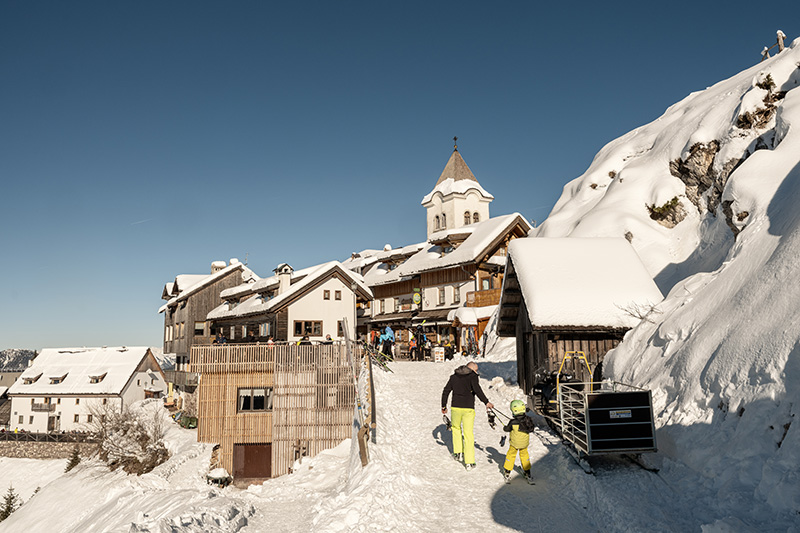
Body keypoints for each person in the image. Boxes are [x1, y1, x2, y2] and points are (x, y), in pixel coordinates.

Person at [441, 361, 494, 470]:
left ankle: (458, 453)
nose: (477, 372)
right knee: (468, 434)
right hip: (468, 409)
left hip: (455, 408)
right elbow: (477, 390)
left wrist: (443, 405)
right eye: (476, 370)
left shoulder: (454, 377)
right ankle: (469, 462)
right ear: (471, 369)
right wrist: (486, 402)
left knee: (456, 429)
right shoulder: (472, 377)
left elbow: (446, 391)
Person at [502, 400, 535, 483]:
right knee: (524, 456)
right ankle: (528, 473)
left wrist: (505, 427)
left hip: (514, 444)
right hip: (524, 444)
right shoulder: (528, 420)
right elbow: (531, 429)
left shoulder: (512, 422)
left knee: (511, 455)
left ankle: (507, 472)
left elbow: (507, 429)